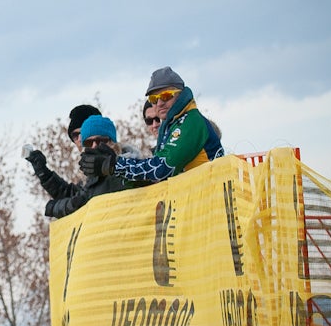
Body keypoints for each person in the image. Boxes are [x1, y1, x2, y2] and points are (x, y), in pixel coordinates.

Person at [80, 67, 223, 184]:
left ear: (180, 94)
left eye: (166, 96)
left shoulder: (190, 121)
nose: (159, 103)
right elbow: (156, 178)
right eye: (154, 99)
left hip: (213, 200)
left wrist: (115, 165)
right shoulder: (172, 125)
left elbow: (162, 168)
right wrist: (115, 166)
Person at [44, 115, 130, 218]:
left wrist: (114, 166)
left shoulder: (131, 167)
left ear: (112, 142)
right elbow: (76, 200)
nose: (94, 146)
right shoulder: (91, 179)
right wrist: (43, 172)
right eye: (88, 142)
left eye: (100, 140)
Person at [24, 104, 102, 199]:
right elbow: (74, 197)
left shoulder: (121, 165)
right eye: (75, 135)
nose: (79, 139)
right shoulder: (90, 176)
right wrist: (44, 174)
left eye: (83, 132)